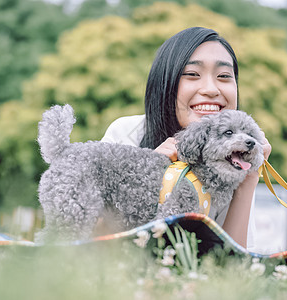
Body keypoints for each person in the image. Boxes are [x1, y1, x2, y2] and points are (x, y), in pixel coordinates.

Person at [101, 27, 271, 250]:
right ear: (164, 82)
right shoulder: (127, 133)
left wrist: (248, 180)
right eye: (192, 74)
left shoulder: (231, 163)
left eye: (224, 76)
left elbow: (231, 266)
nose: (211, 89)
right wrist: (145, 172)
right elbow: (89, 237)